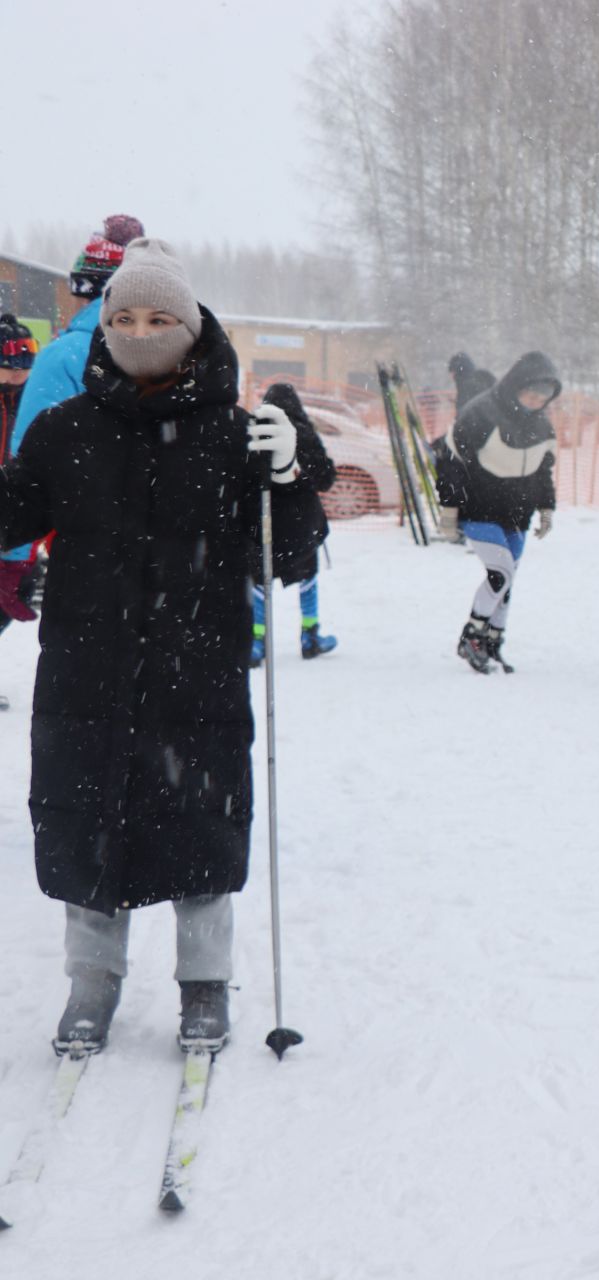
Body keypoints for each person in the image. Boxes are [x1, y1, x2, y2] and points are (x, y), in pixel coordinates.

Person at [0, 239, 325, 1052]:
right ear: (103, 327)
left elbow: (288, 558)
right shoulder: (66, 430)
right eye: (125, 318)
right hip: (88, 670)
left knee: (198, 829)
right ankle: (90, 985)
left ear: (191, 325)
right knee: (89, 828)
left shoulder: (232, 435)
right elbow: (8, 515)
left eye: (160, 317)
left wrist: (291, 475)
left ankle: (205, 984)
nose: (142, 331)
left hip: (198, 670)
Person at [6, 215, 147, 599]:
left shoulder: (63, 357)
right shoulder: (175, 355)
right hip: (171, 563)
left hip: (86, 555)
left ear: (87, 292)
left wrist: (13, 559)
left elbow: (27, 466)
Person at [443, 352, 560, 673]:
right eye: (531, 393)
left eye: (543, 397)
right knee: (501, 573)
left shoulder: (542, 426)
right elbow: (451, 461)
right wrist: (449, 510)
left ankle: (494, 640)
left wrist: (547, 508)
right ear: (515, 385)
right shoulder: (481, 412)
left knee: (507, 580)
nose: (536, 401)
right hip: (480, 508)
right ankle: (472, 636)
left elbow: (542, 472)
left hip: (518, 514)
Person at [249, 383, 340, 663]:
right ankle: (310, 634)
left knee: (260, 580)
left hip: (263, 522)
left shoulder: (253, 433)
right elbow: (326, 478)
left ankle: (257, 639)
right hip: (302, 521)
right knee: (307, 576)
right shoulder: (304, 432)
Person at [0, 314, 40, 625]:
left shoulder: (34, 398)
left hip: (15, 515)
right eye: (10, 364)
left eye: (25, 363)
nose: (19, 372)